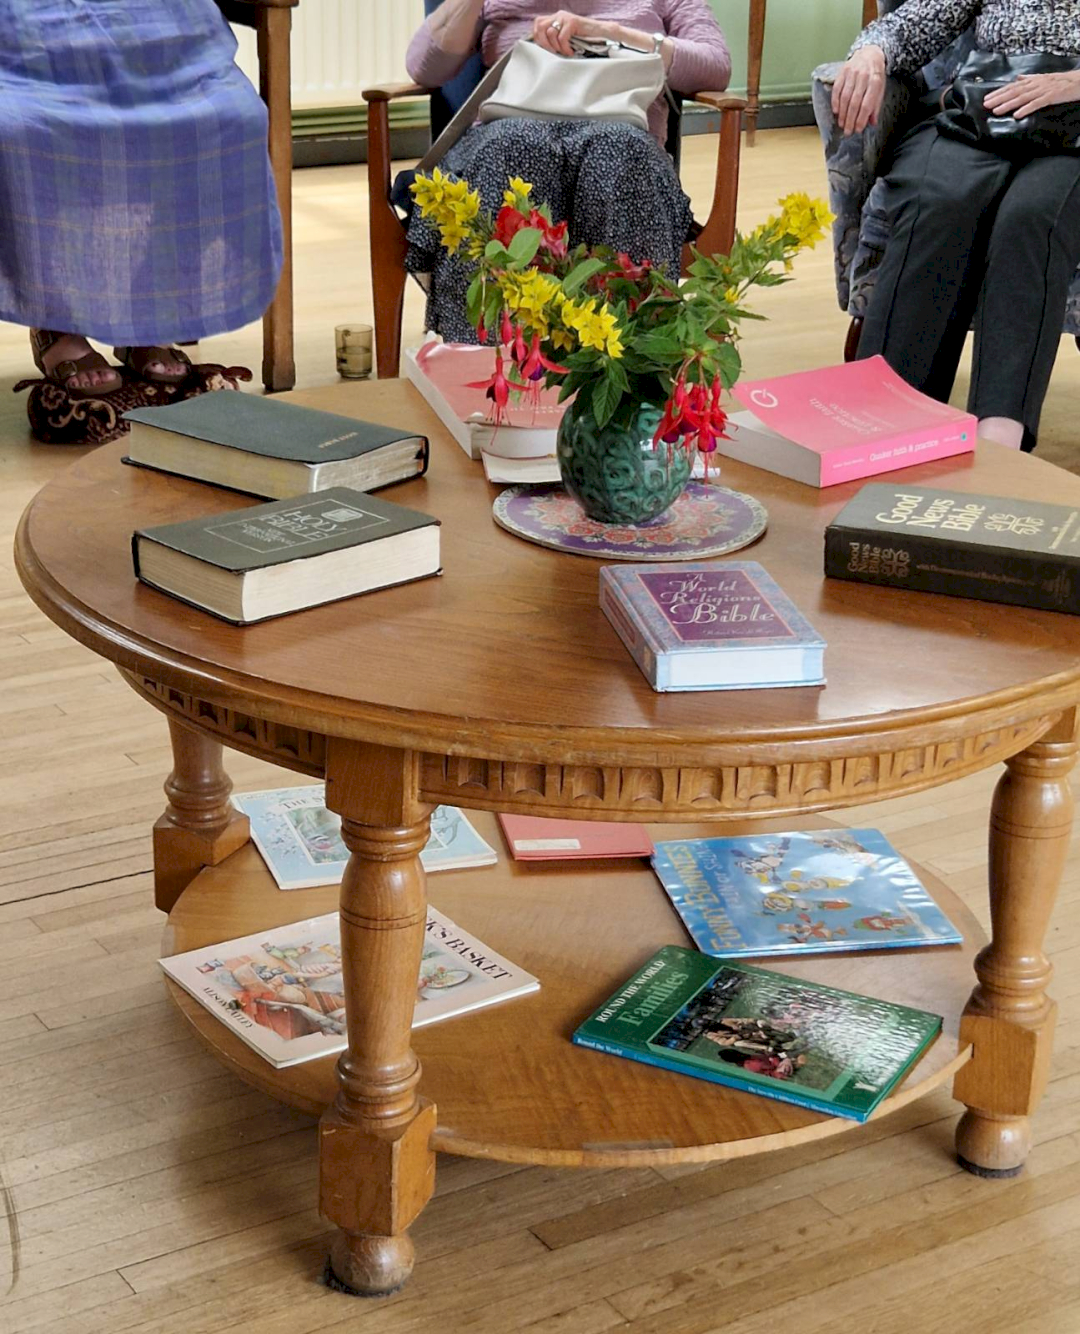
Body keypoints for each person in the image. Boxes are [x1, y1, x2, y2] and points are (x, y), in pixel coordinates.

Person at [0, 1, 283, 400]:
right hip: (33, 40)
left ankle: (148, 316)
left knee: (230, 117)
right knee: (19, 129)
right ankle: (56, 323)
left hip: (150, 30)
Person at [831, 1, 1080, 453]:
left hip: (1075, 128)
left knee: (1030, 218)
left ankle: (999, 446)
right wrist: (872, 52)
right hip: (984, 110)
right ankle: (882, 421)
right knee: (937, 200)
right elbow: (919, 20)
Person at [405, 0, 731, 342]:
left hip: (621, 131)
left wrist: (609, 35)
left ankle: (627, 362)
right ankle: (485, 361)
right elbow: (424, 68)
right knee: (513, 145)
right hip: (511, 127)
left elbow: (715, 66)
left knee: (619, 150)